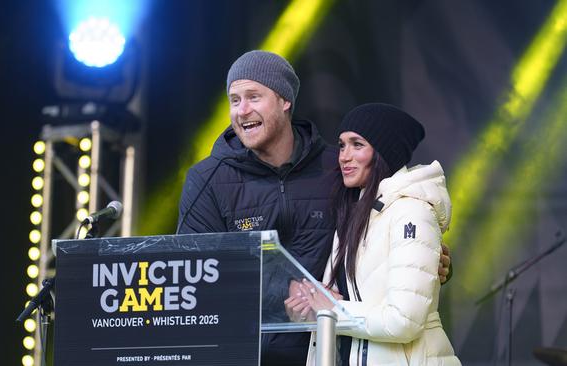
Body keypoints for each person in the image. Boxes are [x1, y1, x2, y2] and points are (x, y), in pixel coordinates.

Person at [177, 51, 452, 365]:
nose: (242, 111)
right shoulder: (207, 179)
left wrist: (430, 258)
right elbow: (193, 274)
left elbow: (385, 231)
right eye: (235, 100)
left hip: (326, 351)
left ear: (285, 101)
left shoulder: (337, 167)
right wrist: (286, 289)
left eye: (254, 97)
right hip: (243, 355)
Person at [287, 103, 461, 365]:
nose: (344, 156)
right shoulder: (355, 212)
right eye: (342, 145)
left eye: (357, 144)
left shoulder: (411, 211)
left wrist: (331, 310)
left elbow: (404, 321)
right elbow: (345, 300)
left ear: (383, 152)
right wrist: (306, 307)